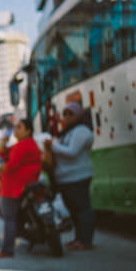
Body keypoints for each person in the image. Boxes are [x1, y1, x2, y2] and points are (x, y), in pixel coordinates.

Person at [44, 101, 95, 250]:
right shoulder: (67, 132)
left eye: (70, 114)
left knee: (82, 208)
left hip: (78, 176)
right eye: (64, 114)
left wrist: (52, 146)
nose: (66, 117)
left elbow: (72, 152)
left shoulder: (81, 131)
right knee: (73, 210)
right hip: (66, 178)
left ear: (78, 115)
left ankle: (85, 240)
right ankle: (78, 239)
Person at [0, 119, 42, 258]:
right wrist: (3, 140)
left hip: (14, 186)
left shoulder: (22, 145)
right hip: (26, 184)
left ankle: (7, 250)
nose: (15, 130)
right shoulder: (25, 144)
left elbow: (10, 165)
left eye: (19, 127)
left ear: (28, 131)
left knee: (9, 219)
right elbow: (4, 154)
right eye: (15, 127)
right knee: (10, 217)